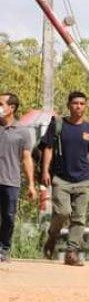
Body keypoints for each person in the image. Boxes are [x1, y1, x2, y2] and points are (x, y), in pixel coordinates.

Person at [40, 91, 89, 265]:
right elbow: (48, 149)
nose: (79, 106)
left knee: (78, 218)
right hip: (61, 179)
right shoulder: (58, 124)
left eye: (82, 103)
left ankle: (71, 252)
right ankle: (53, 236)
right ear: (69, 105)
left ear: (86, 106)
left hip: (83, 179)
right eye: (75, 103)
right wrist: (45, 171)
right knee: (62, 212)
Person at [0, 93, 37, 262]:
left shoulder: (23, 131)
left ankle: (4, 248)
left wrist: (31, 184)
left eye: (0, 103)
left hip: (10, 181)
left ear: (11, 108)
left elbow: (26, 158)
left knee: (8, 216)